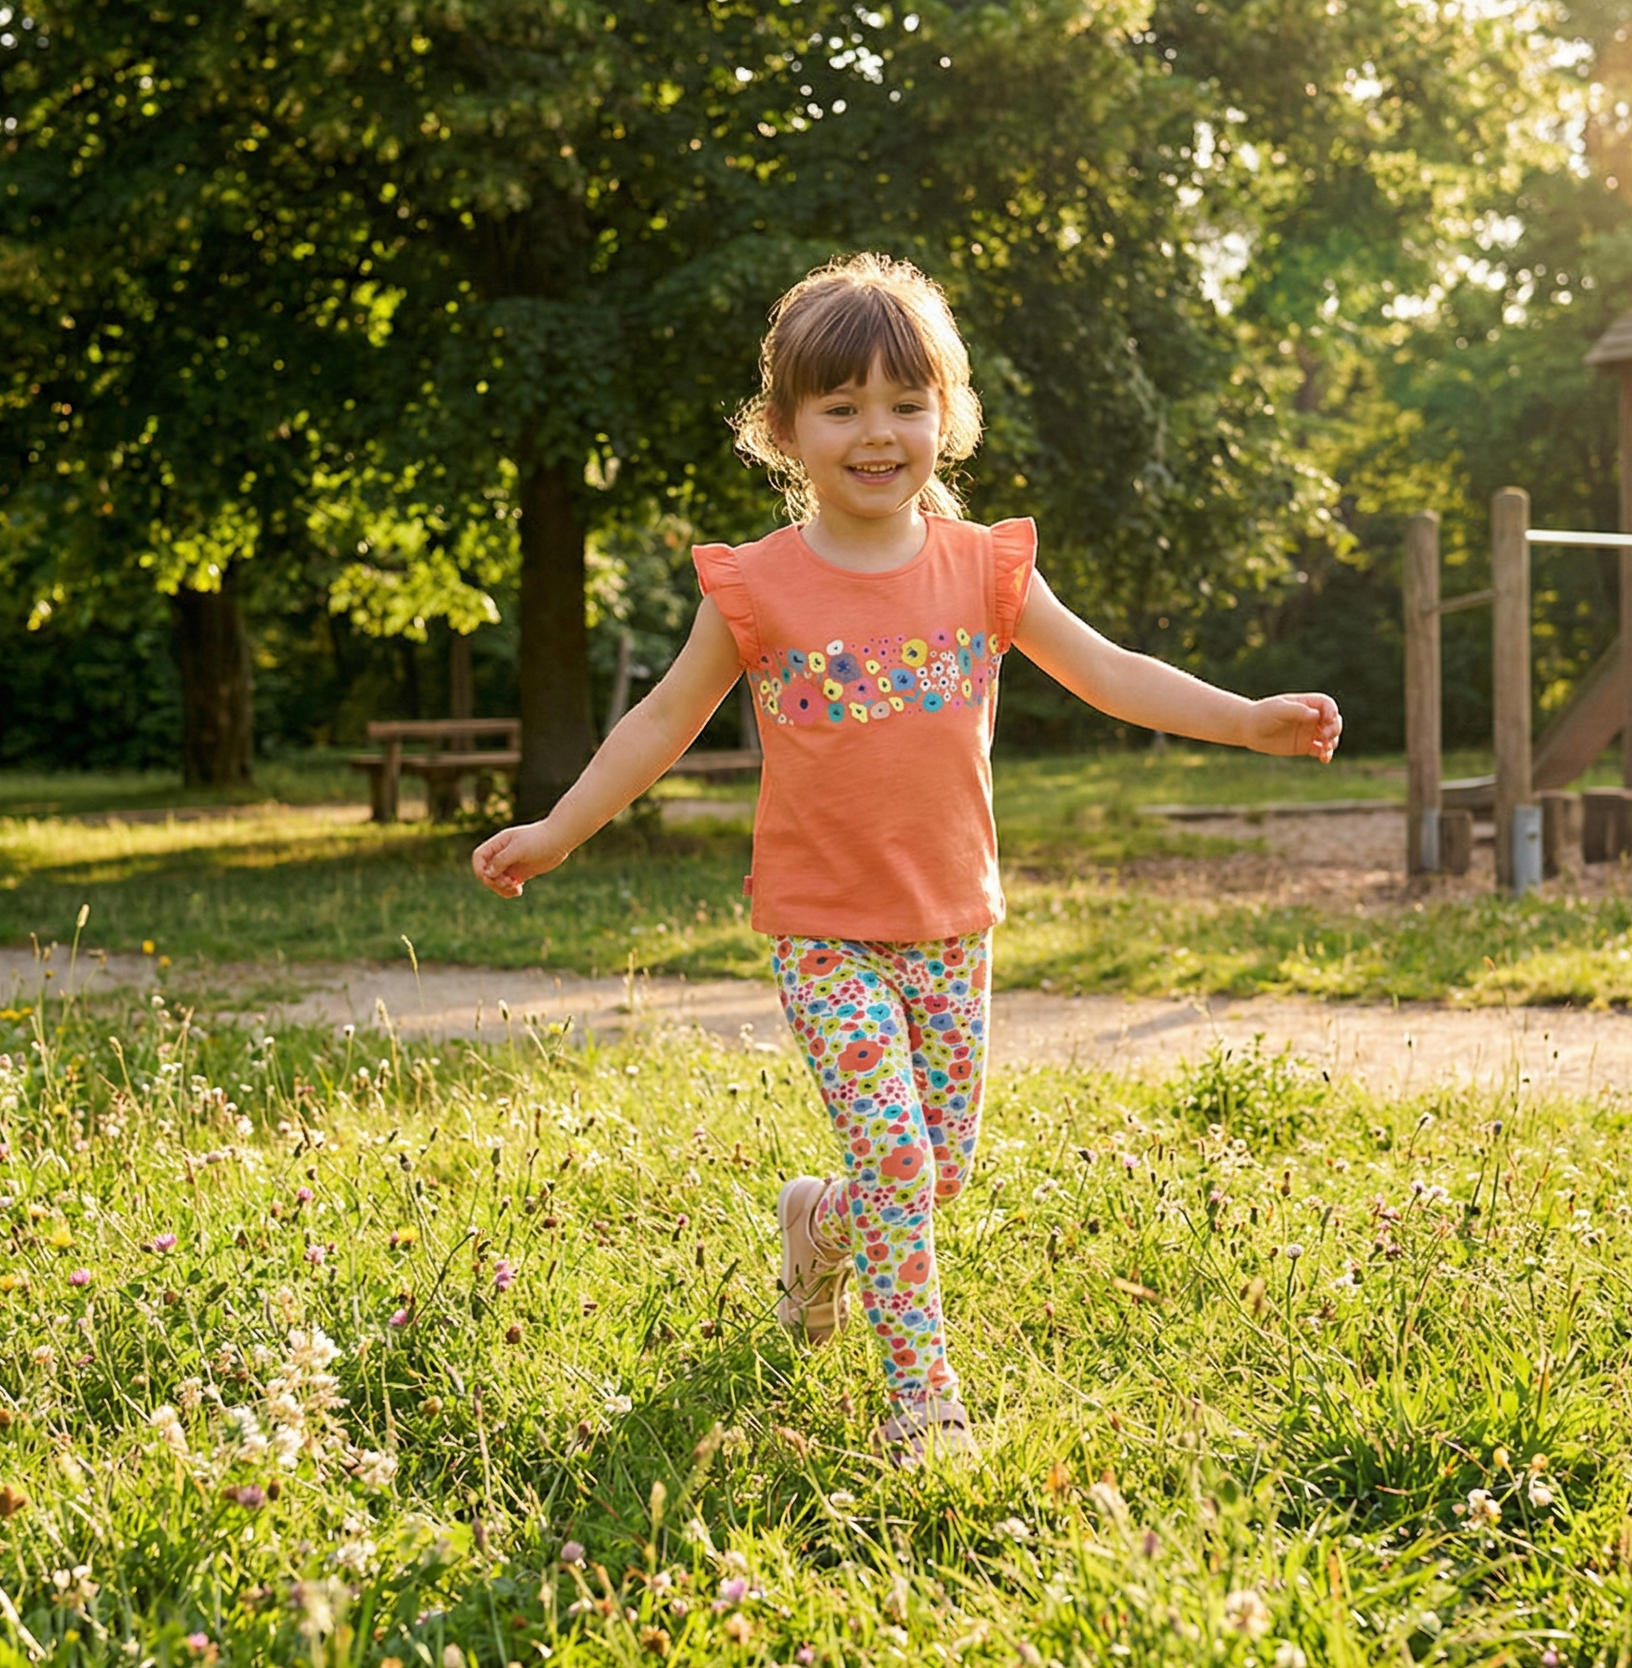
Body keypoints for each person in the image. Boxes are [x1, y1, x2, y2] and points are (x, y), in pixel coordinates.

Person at [471, 253, 1341, 1464]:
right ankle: (921, 1397)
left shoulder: (982, 567)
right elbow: (660, 719)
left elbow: (1109, 673)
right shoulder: (755, 587)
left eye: (903, 404)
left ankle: (812, 1226)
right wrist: (557, 828)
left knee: (933, 1173)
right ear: (784, 430)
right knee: (895, 1150)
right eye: (840, 407)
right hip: (820, 924)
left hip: (950, 925)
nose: (876, 433)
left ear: (947, 415)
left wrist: (1246, 716)